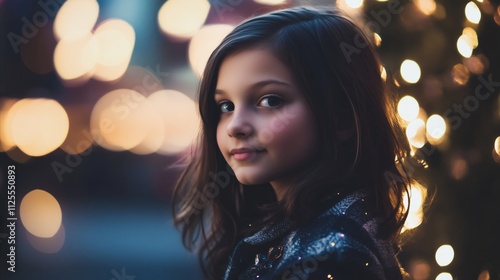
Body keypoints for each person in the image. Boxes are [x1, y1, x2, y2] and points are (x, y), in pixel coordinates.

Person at [173, 6, 416, 280]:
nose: (235, 126)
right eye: (226, 105)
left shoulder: (331, 260)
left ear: (343, 119)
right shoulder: (288, 229)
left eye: (270, 101)